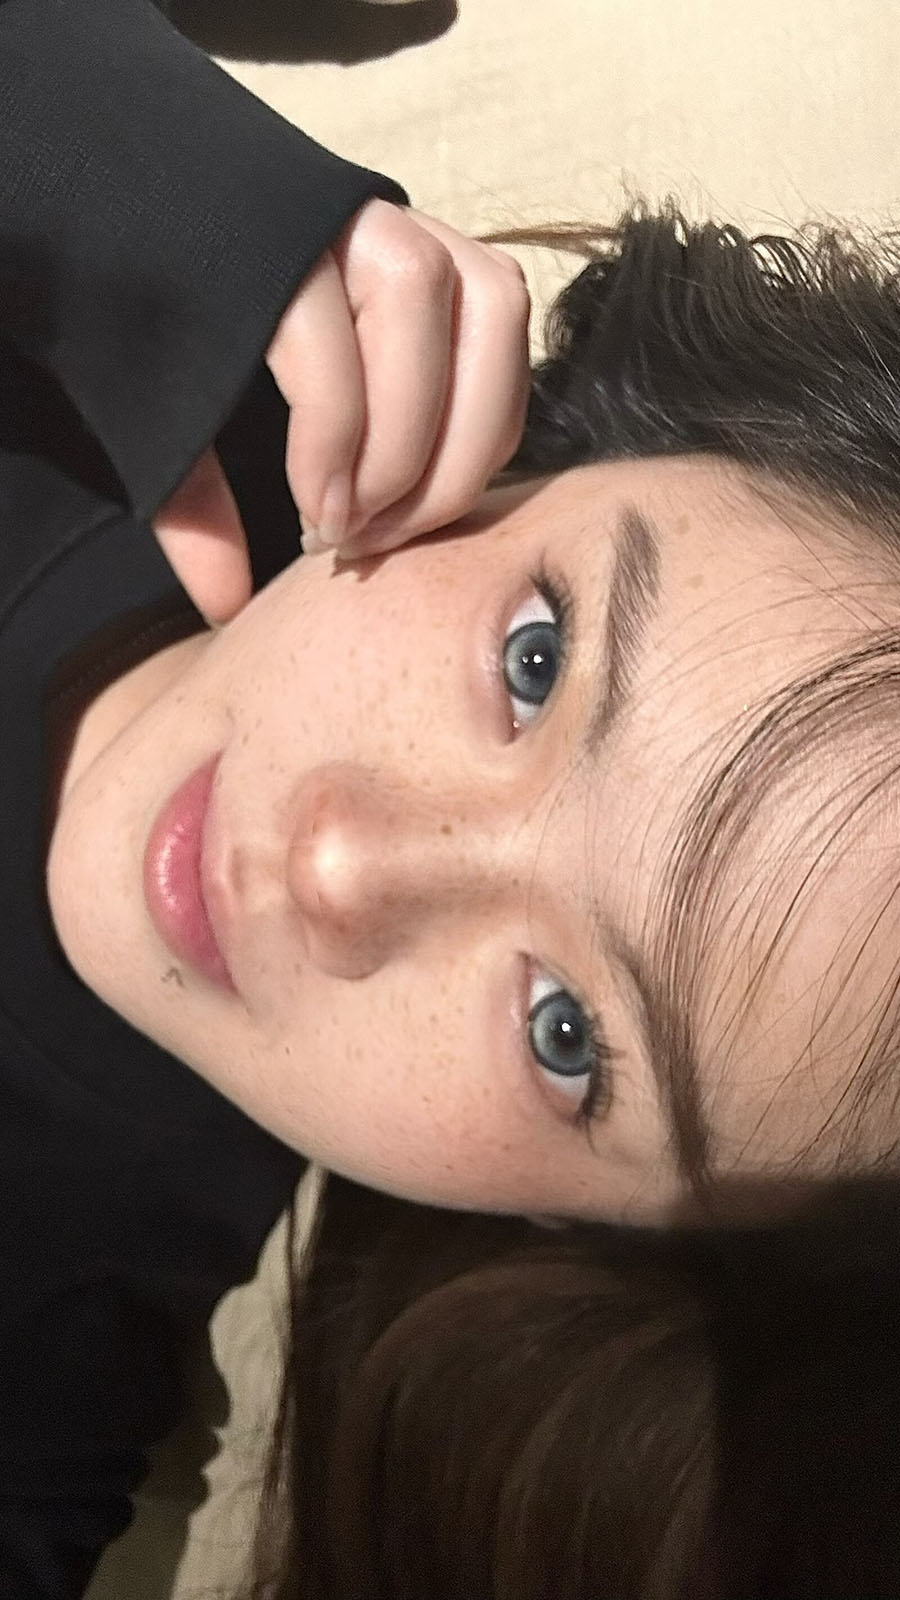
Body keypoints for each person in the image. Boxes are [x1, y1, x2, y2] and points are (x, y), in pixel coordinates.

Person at [0, 1, 529, 1595]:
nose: (341, 870)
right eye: (538, 662)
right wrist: (87, 129)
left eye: (568, 1037)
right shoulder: (192, 297)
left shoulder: (65, 1328)